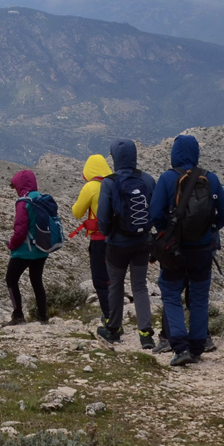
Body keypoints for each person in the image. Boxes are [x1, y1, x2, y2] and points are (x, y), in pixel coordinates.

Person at [150, 134, 224, 366]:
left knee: (170, 293)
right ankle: (197, 347)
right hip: (202, 250)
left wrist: (166, 233)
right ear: (196, 153)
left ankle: (179, 346)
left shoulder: (167, 179)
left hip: (175, 249)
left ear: (174, 154)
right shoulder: (211, 179)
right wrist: (210, 228)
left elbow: (155, 213)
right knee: (198, 297)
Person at [93, 139, 158, 348]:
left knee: (116, 286)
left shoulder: (109, 182)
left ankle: (114, 329)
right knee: (139, 286)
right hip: (141, 242)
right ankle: (146, 334)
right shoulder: (147, 180)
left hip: (117, 245)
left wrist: (107, 234)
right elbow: (156, 212)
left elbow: (103, 217)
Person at [4, 169, 59, 324]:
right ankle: (43, 317)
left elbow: (20, 230)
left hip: (25, 251)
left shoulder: (23, 202)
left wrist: (12, 245)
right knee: (37, 281)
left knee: (11, 279)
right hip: (42, 248)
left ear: (20, 186)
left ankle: (18, 315)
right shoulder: (42, 198)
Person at [70, 154, 113, 324]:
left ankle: (110, 318)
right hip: (118, 239)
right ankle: (116, 312)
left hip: (99, 239)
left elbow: (77, 212)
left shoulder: (91, 187)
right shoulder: (115, 184)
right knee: (114, 278)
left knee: (101, 281)